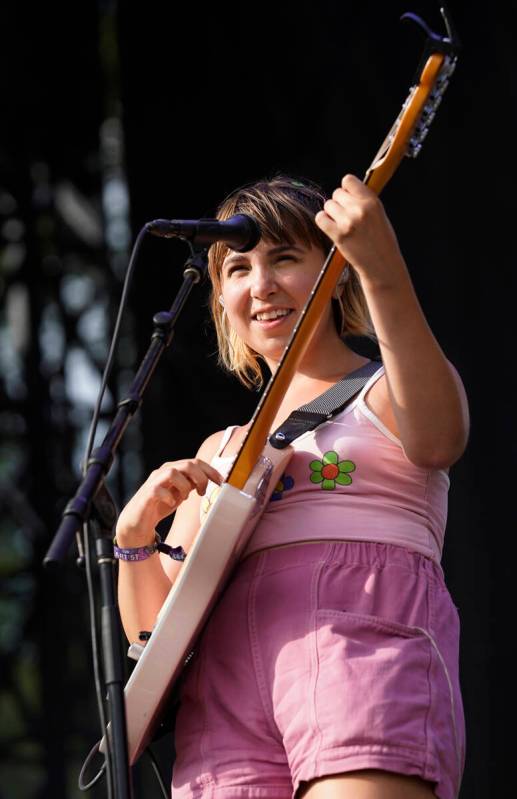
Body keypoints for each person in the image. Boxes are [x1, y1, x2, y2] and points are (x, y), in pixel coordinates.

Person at [114, 173, 469, 799]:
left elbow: (441, 440)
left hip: (357, 656)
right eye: (239, 268)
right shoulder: (218, 450)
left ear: (335, 272)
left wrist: (381, 266)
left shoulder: (385, 389)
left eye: (285, 258)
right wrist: (134, 538)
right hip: (223, 708)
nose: (263, 285)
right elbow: (156, 644)